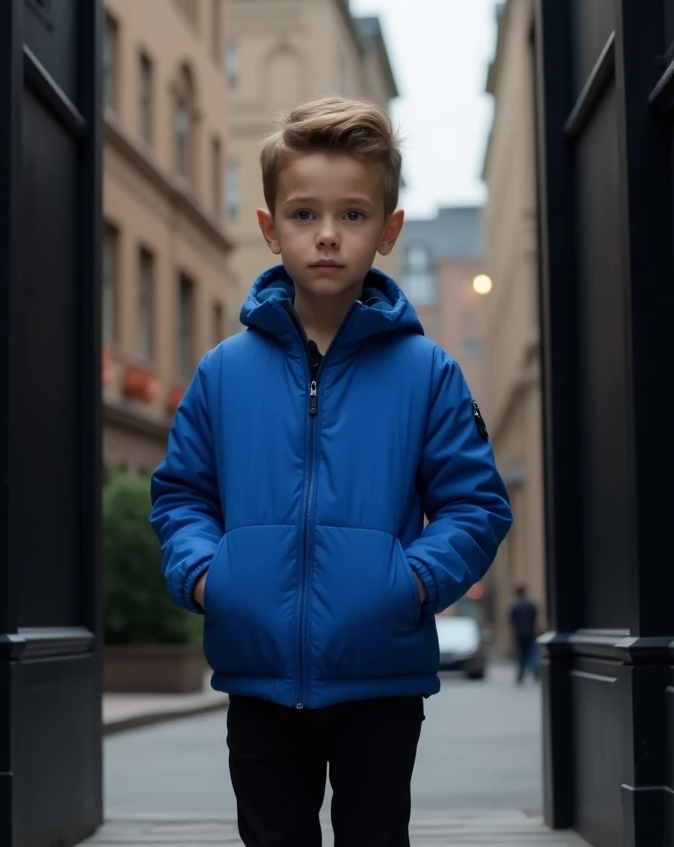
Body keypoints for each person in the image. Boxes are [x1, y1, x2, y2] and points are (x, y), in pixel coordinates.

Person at [150, 97, 513, 847]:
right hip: (257, 678)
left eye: (352, 216)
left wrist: (407, 584)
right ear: (268, 228)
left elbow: (475, 506)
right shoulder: (223, 374)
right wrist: (209, 577)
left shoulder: (427, 373)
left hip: (380, 679)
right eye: (303, 214)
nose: (326, 235)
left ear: (388, 231)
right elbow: (183, 495)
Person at [509, 585, 539, 684]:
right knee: (532, 653)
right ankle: (535, 673)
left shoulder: (515, 606)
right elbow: (535, 619)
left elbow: (512, 622)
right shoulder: (531, 604)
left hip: (519, 634)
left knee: (521, 655)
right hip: (530, 633)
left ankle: (521, 676)